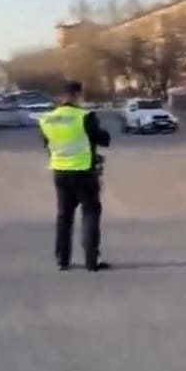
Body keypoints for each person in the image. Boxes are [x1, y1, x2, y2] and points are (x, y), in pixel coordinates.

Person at [38, 80, 112, 272]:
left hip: (60, 172)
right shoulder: (85, 117)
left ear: (61, 96)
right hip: (84, 172)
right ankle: (91, 261)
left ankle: (62, 260)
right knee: (90, 214)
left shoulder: (47, 119)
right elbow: (104, 139)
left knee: (64, 216)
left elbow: (47, 144)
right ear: (77, 95)